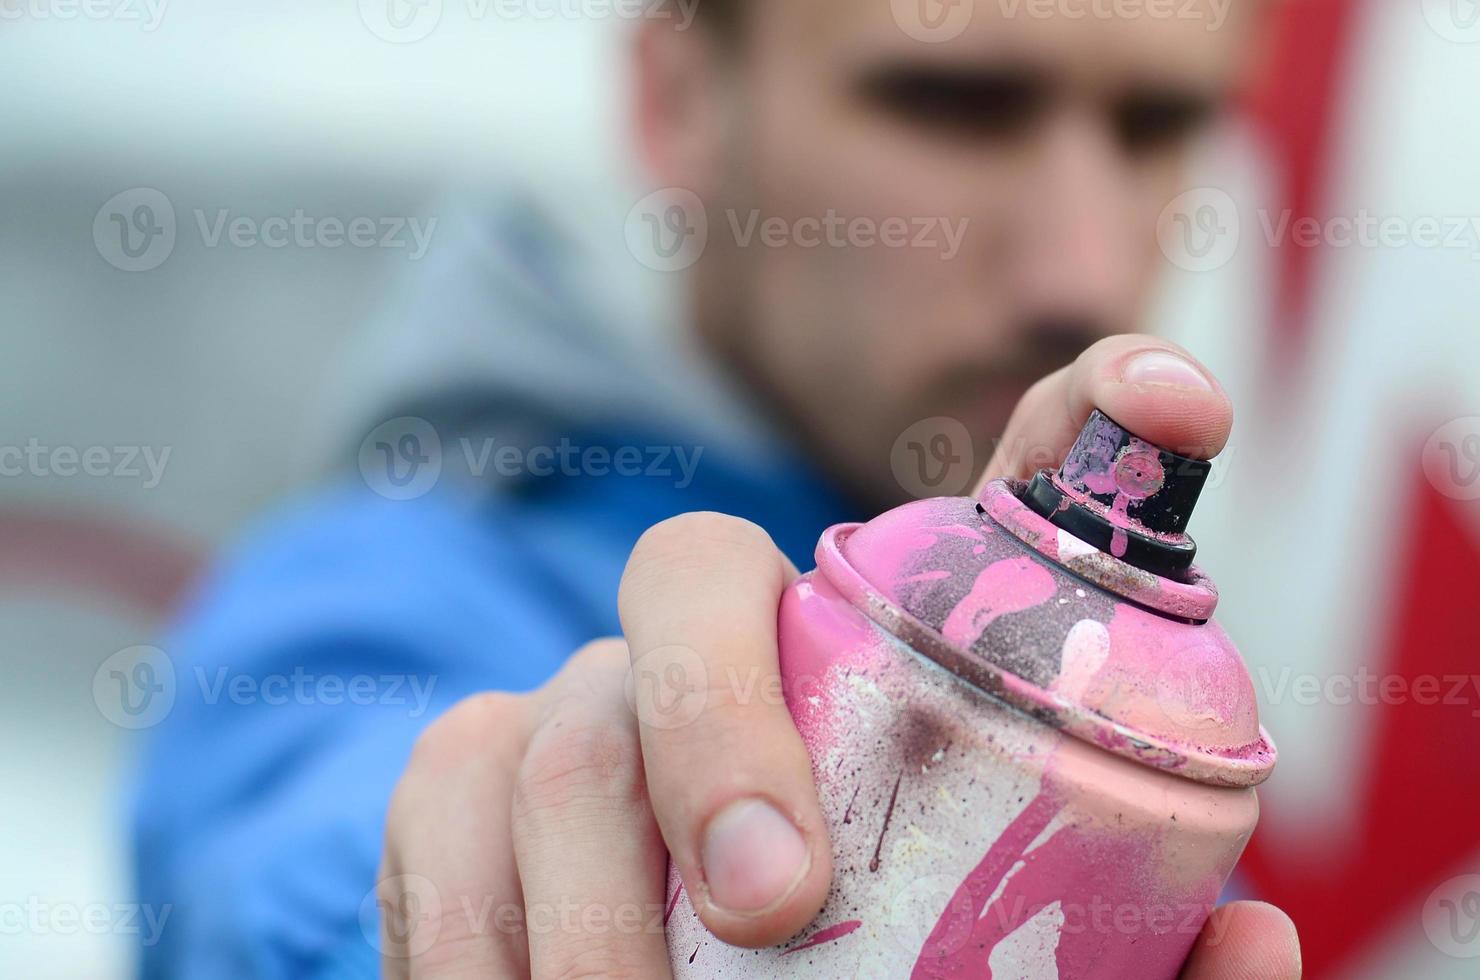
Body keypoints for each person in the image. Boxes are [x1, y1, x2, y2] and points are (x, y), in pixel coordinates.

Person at [133, 0, 1302, 977]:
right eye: (956, 107)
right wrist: (497, 888)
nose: (1081, 269)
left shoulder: (1142, 726)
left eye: (1158, 124)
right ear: (679, 99)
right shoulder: (365, 595)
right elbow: (316, 853)